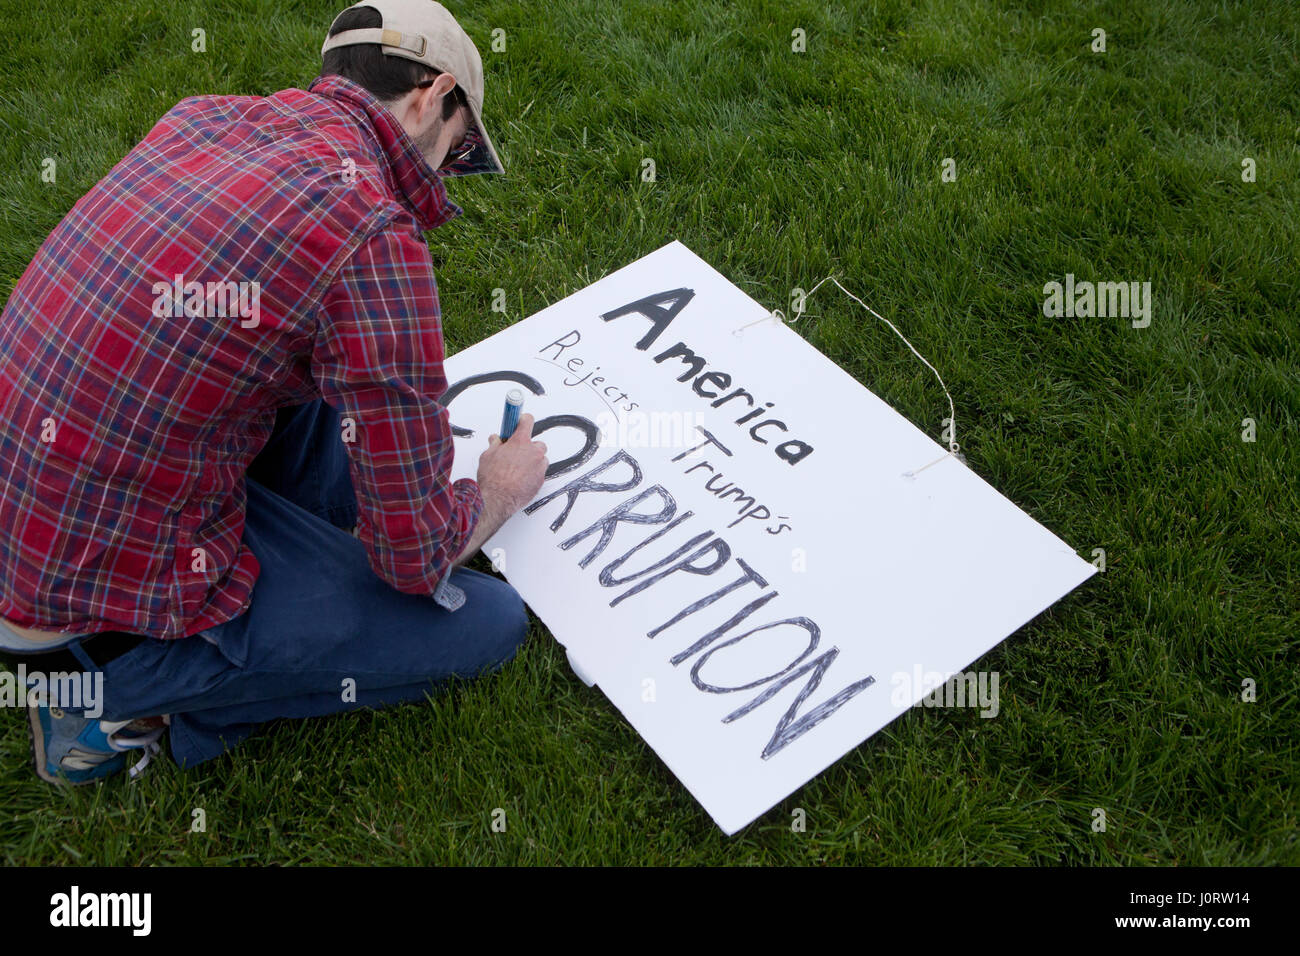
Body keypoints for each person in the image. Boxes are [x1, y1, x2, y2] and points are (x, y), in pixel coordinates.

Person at [0, 0, 548, 784]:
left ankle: (272, 577)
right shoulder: (368, 229)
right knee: (490, 623)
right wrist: (494, 493)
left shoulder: (203, 120)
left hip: (38, 517)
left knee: (321, 378)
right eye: (455, 154)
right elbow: (417, 557)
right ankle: (111, 700)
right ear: (431, 96)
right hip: (83, 614)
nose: (444, 176)